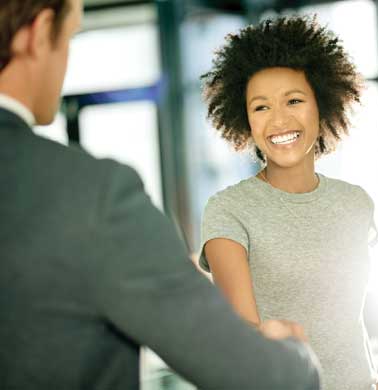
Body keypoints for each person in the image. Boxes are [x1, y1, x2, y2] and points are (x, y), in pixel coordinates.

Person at [0, 1, 321, 389]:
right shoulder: (92, 195)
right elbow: (264, 378)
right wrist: (294, 352)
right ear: (37, 32)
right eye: (70, 37)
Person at [200, 15, 378, 390]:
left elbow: (348, 315)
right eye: (261, 107)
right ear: (245, 120)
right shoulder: (228, 211)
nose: (279, 120)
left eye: (294, 101)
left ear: (322, 104)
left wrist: (371, 375)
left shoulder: (355, 203)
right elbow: (243, 336)